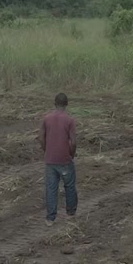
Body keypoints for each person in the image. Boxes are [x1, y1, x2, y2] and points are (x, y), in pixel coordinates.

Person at [40, 92, 77, 223]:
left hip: (50, 160)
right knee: (69, 186)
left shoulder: (46, 119)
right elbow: (73, 142)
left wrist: (46, 150)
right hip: (64, 160)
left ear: (55, 104)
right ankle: (70, 214)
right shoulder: (69, 120)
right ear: (66, 104)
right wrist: (71, 154)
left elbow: (41, 138)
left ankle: (50, 218)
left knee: (51, 188)